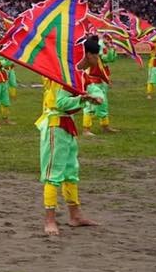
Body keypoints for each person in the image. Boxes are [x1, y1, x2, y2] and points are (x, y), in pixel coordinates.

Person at [38, 40, 103, 236]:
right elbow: (61, 102)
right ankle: (49, 219)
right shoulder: (62, 74)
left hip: (67, 125)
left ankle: (75, 215)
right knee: (53, 172)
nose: (98, 59)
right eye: (96, 55)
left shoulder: (78, 75)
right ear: (88, 55)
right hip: (55, 125)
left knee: (70, 171)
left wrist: (95, 96)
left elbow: (93, 89)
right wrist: (82, 99)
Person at [82, 42, 117, 134]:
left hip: (101, 83)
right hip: (91, 82)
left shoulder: (100, 55)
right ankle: (86, 129)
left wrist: (111, 48)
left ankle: (105, 126)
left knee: (103, 104)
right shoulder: (88, 55)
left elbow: (110, 59)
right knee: (90, 105)